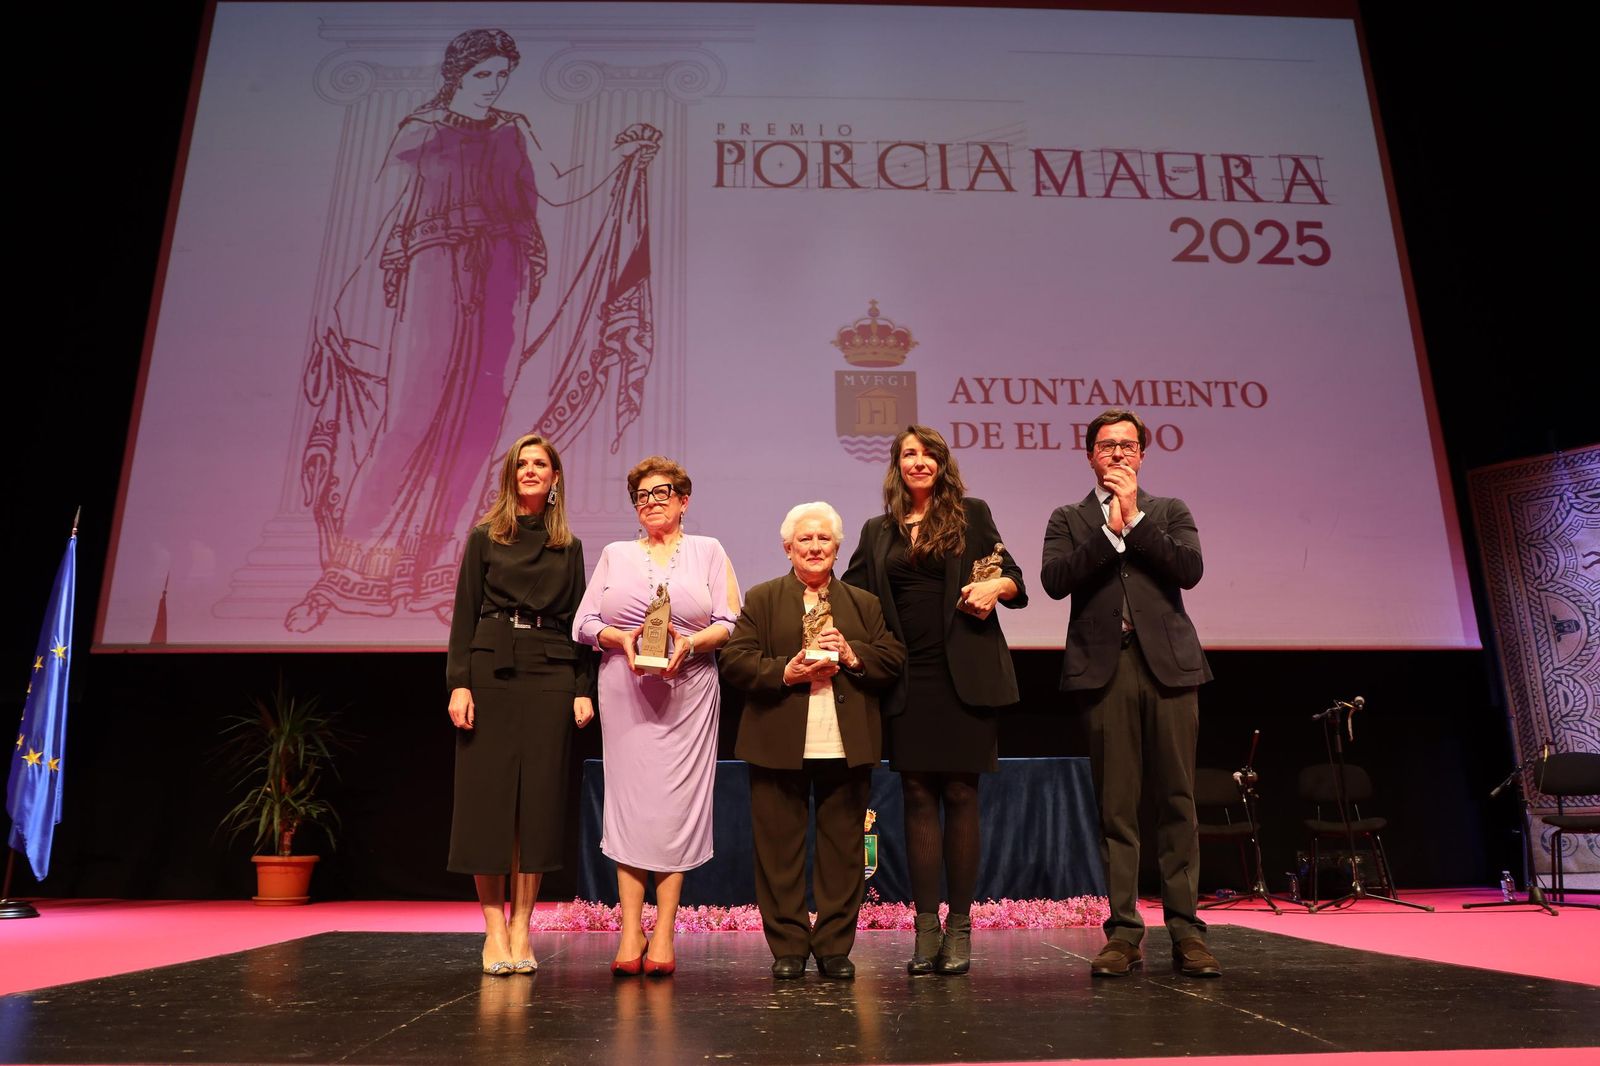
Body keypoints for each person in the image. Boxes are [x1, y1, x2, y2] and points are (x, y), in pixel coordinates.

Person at [288, 28, 659, 632]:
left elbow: (560, 188)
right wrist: (342, 302)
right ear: (458, 75)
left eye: (501, 75)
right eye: (483, 74)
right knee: (410, 416)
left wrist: (625, 160)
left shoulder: (513, 129)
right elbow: (381, 207)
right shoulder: (419, 130)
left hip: (506, 275)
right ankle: (348, 573)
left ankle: (442, 572)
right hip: (435, 268)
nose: (494, 85)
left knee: (481, 428)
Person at [1040, 408, 1218, 979]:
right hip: (1105, 672)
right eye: (1106, 445)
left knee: (1177, 801)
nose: (1117, 453)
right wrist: (1107, 532)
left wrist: (1134, 520)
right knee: (1116, 808)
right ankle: (1122, 933)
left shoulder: (1168, 511)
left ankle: (1187, 933)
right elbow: (1054, 580)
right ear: (1090, 455)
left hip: (1170, 671)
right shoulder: (1069, 517)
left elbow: (1188, 570)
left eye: (1127, 445)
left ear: (1141, 453)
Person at [842, 425, 1027, 975]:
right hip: (907, 677)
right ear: (897, 465)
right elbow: (850, 594)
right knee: (917, 796)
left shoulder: (972, 515)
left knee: (962, 795)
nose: (918, 462)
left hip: (965, 676)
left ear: (942, 464)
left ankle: (961, 928)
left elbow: (1014, 580)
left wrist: (996, 587)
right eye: (908, 454)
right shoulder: (878, 531)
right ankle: (926, 930)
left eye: (927, 454)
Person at [722, 502, 906, 980]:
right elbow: (735, 660)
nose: (815, 546)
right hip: (777, 744)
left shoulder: (863, 603)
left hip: (845, 745)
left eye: (824, 539)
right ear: (788, 548)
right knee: (777, 853)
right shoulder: (763, 598)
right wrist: (784, 672)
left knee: (844, 852)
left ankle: (833, 948)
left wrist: (853, 654)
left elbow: (891, 658)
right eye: (805, 539)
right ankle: (787, 947)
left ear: (838, 549)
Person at [574, 457, 741, 976]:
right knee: (629, 807)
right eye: (641, 495)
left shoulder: (709, 550)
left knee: (674, 811)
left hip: (689, 693)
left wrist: (689, 643)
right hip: (625, 690)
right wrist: (620, 639)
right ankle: (630, 928)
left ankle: (664, 929)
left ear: (684, 500)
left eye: (661, 492)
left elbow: (729, 622)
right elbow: (584, 622)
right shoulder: (615, 554)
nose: (650, 502)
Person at [445, 433, 595, 976]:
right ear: (510, 475)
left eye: (540, 464)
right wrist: (459, 683)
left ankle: (522, 927)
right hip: (491, 667)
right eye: (521, 464)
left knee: (538, 804)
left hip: (550, 669)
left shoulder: (569, 547)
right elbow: (465, 614)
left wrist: (583, 687)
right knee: (487, 802)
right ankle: (493, 930)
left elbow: (580, 623)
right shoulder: (485, 536)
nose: (530, 470)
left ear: (554, 478)